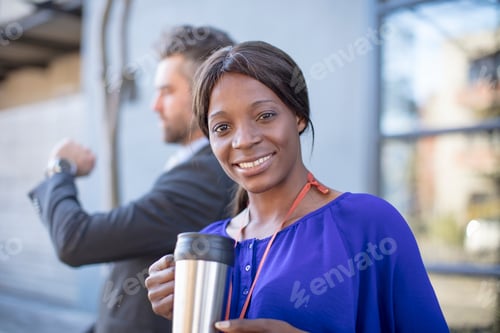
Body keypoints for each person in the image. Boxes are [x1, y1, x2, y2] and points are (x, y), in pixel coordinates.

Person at [145, 41, 450, 332]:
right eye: (223, 127)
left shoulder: (367, 224)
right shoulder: (209, 245)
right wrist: (176, 300)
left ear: (299, 116)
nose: (244, 140)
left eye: (265, 116)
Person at [28, 25, 236, 333]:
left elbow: (76, 240)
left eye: (166, 91)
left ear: (203, 95)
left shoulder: (205, 176)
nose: (154, 105)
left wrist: (60, 169)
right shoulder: (192, 167)